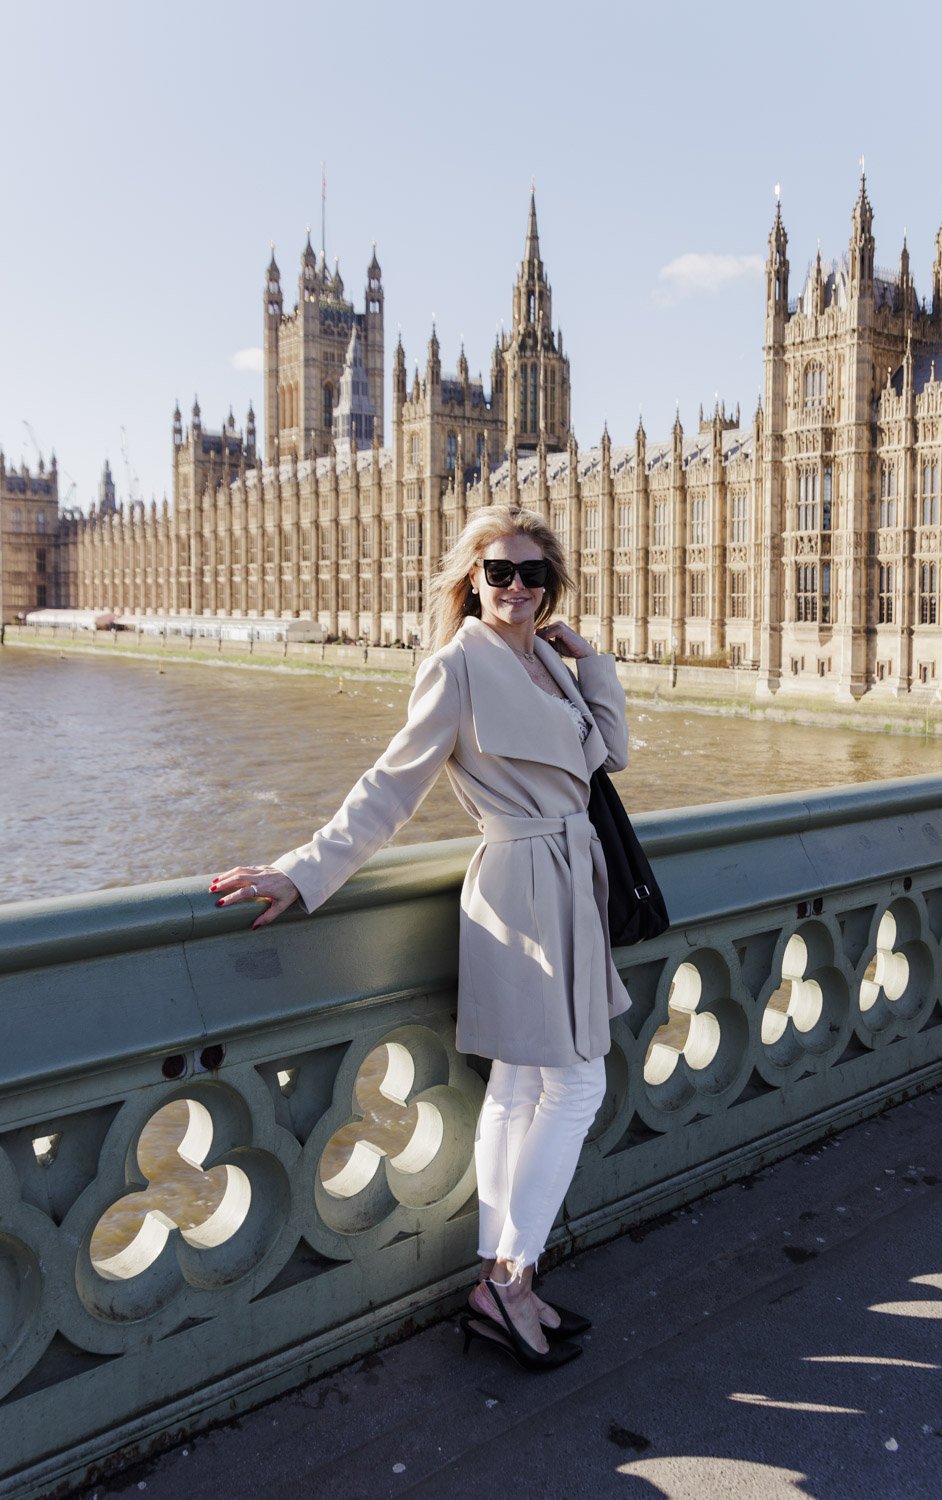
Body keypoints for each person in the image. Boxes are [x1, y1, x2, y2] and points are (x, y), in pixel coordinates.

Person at [210, 504, 630, 1372]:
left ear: (552, 586)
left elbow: (608, 758)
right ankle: (511, 1279)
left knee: (520, 1088)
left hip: (569, 880)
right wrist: (303, 869)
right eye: (501, 572)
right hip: (520, 887)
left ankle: (497, 1273)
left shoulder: (551, 660)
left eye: (533, 573)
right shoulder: (457, 667)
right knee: (578, 1085)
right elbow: (388, 787)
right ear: (471, 583)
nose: (517, 586)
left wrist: (597, 666)